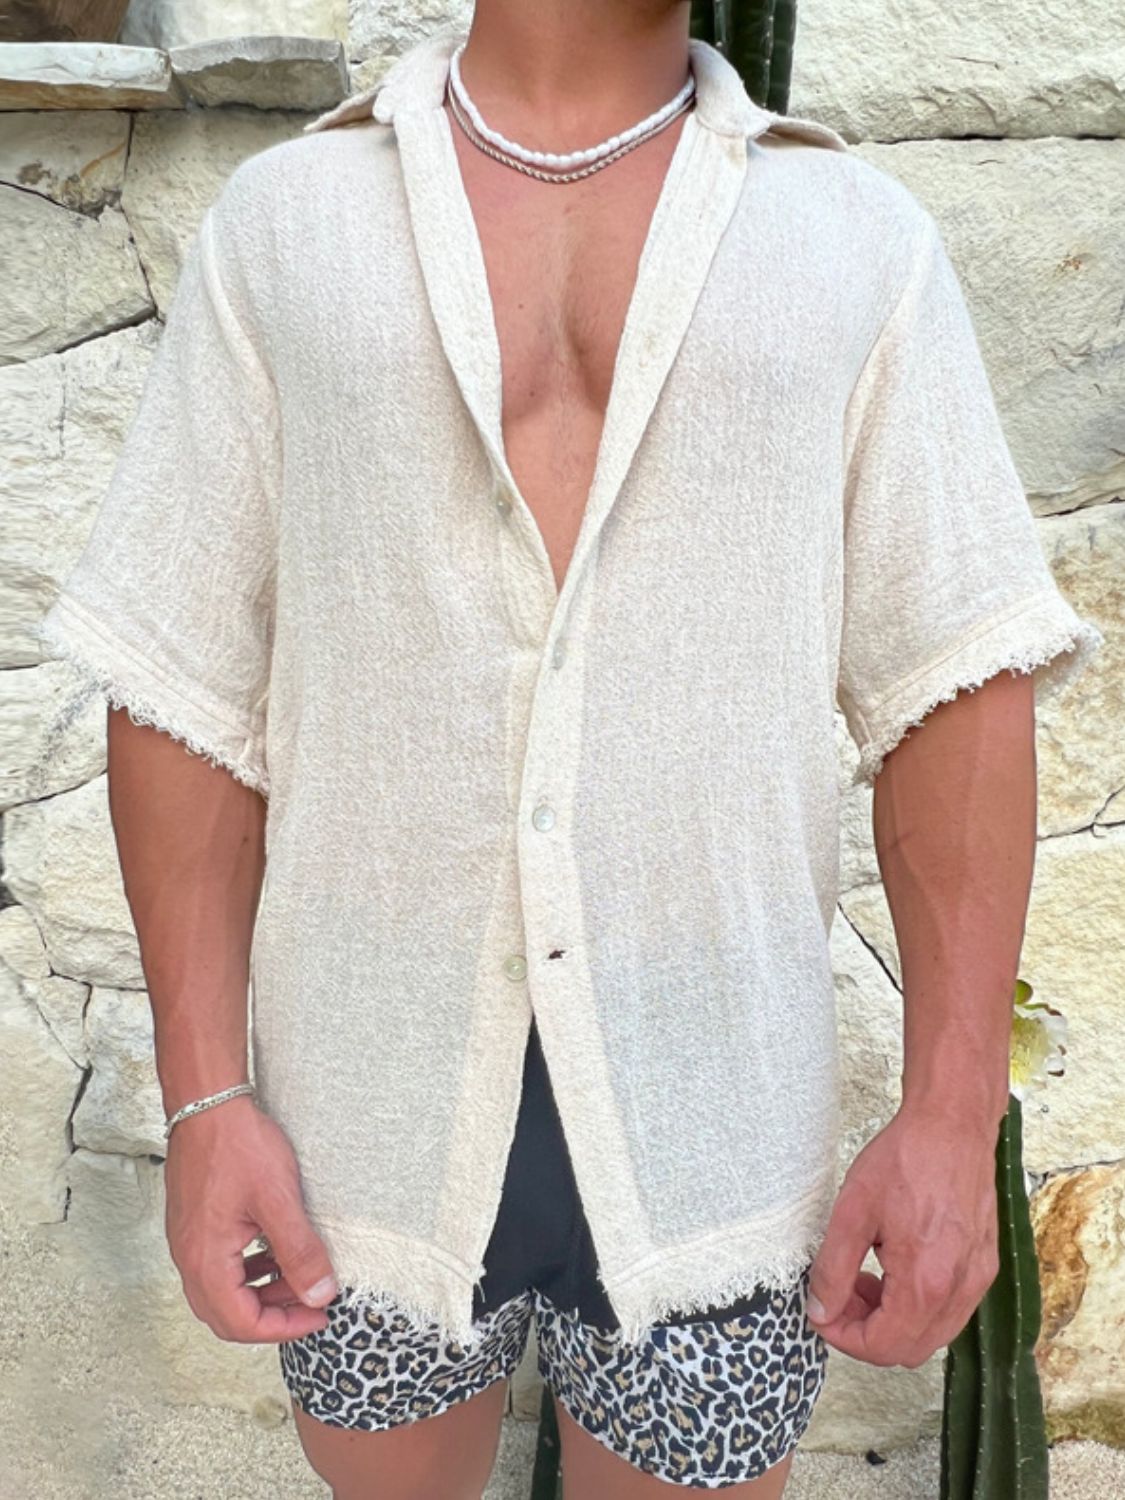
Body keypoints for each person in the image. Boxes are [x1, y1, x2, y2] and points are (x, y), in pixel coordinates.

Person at [34, 2, 1103, 1496]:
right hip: (365, 1114)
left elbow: (953, 683)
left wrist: (949, 1111)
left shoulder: (854, 240)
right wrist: (207, 1101)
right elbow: (184, 679)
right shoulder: (288, 227)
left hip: (717, 1122)